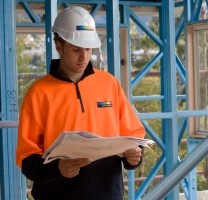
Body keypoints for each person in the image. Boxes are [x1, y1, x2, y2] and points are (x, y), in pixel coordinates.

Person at [16, 6, 145, 200]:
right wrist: (57, 168)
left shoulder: (109, 84)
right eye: (76, 49)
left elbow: (133, 136)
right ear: (59, 46)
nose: (84, 57)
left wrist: (134, 157)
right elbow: (26, 159)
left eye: (87, 49)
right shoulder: (38, 93)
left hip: (108, 194)